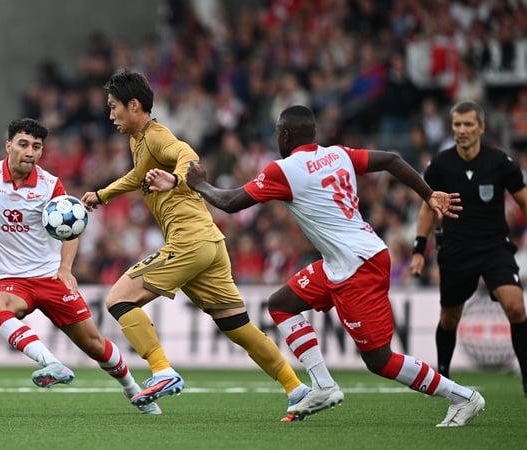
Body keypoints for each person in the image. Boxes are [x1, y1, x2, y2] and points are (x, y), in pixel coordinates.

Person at [156, 104, 485, 427]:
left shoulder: (284, 170)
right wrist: (428, 195)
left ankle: (462, 397)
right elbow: (393, 160)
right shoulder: (338, 154)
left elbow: (229, 202)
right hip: (344, 261)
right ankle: (324, 386)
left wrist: (198, 182)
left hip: (359, 266)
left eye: (277, 133)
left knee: (380, 360)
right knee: (281, 304)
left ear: (285, 135)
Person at [80, 70, 311, 422]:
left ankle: (161, 370)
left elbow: (186, 153)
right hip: (210, 242)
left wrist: (175, 177)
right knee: (238, 326)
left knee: (118, 299)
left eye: (114, 108)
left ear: (135, 105)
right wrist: (102, 195)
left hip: (189, 241)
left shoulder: (156, 136)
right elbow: (136, 175)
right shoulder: (138, 141)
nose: (110, 116)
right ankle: (297, 389)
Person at [0, 118, 161, 415]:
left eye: (37, 146)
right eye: (23, 144)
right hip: (12, 281)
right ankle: (51, 362)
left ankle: (134, 389)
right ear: (8, 146)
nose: (30, 152)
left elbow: (72, 228)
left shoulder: (50, 185)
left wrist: (66, 268)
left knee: (94, 345)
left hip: (51, 277)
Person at [410, 100, 527, 397]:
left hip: (494, 247)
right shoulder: (440, 165)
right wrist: (419, 249)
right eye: (457, 125)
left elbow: (523, 200)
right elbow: (428, 209)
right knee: (449, 318)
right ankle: (444, 377)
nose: (462, 130)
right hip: (456, 249)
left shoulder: (500, 162)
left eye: (468, 124)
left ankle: (526, 379)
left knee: (515, 306)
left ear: (481, 128)